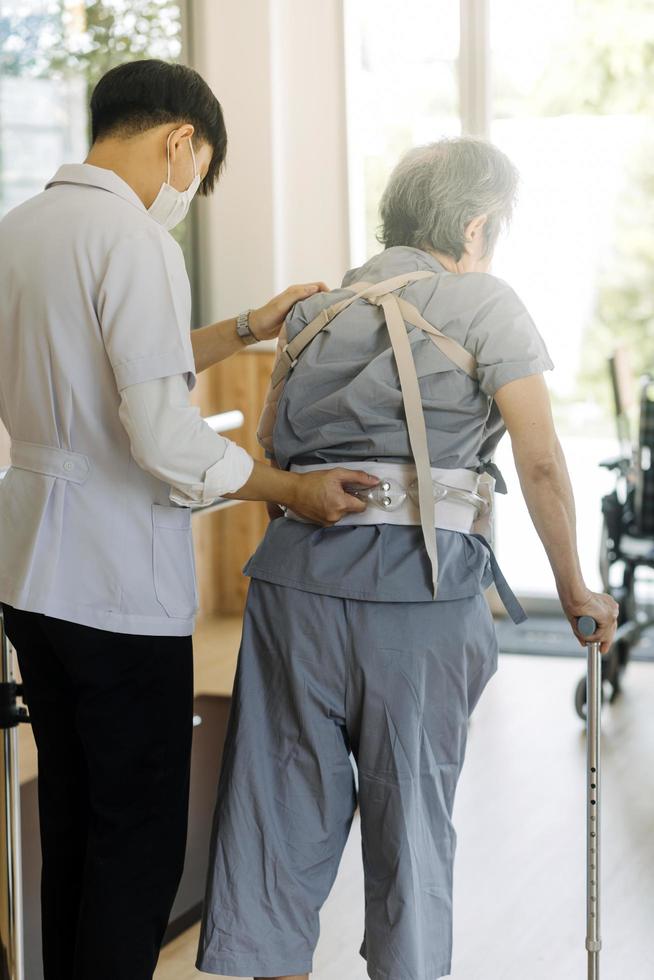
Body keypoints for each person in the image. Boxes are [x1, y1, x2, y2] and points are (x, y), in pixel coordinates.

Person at [196, 137, 619, 980]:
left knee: (277, 821)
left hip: (292, 593)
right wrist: (575, 585)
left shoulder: (314, 313)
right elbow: (539, 461)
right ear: (474, 226)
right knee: (412, 829)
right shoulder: (486, 302)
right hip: (416, 601)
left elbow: (277, 450)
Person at [0, 58, 377, 980]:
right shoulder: (135, 242)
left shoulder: (19, 230)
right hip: (116, 585)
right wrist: (286, 490)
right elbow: (164, 434)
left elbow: (110, 367)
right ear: (181, 141)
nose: (188, 195)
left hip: (29, 576)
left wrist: (247, 325)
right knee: (135, 850)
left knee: (76, 823)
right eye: (199, 174)